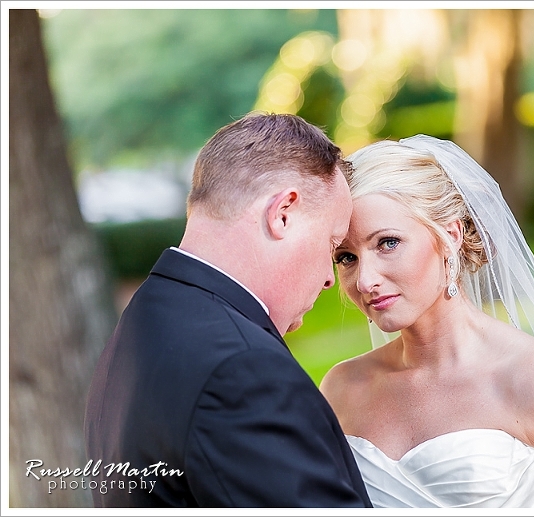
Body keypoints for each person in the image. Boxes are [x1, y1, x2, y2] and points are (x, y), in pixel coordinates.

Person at [319, 135, 534, 508]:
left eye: (387, 243)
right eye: (346, 257)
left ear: (450, 236)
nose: (365, 281)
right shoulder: (342, 389)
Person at [83, 112, 372, 508]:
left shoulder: (142, 321)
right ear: (282, 213)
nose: (329, 278)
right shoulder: (244, 372)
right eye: (332, 244)